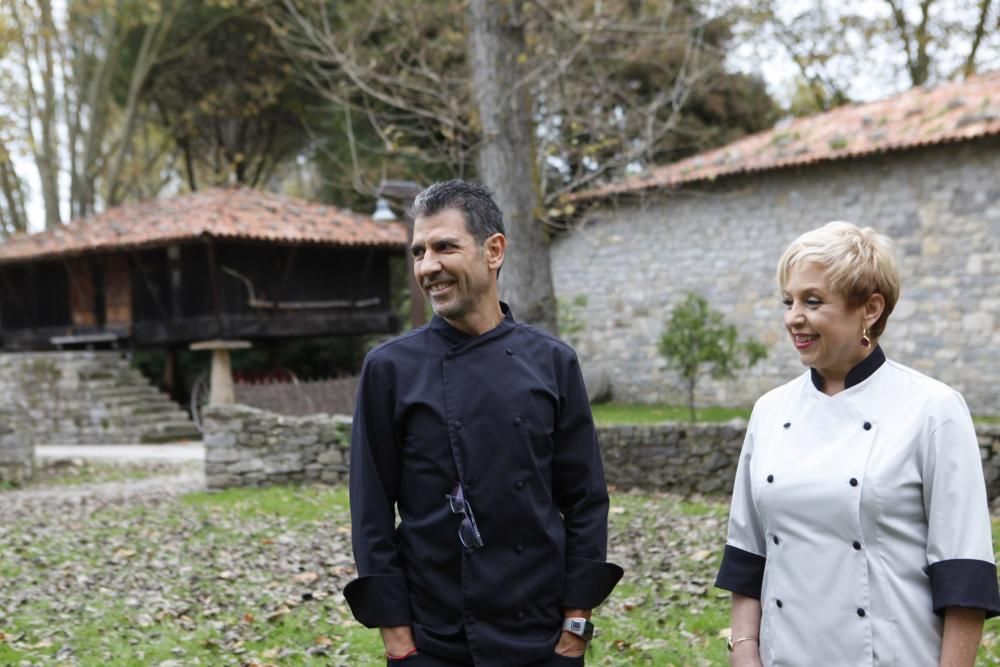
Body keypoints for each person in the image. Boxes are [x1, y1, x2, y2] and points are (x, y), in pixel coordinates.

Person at [344, 179, 623, 667]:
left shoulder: (553, 362)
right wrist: (398, 638)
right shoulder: (390, 369)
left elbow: (585, 500)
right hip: (434, 640)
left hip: (540, 637)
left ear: (493, 251)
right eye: (418, 252)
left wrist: (575, 627)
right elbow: (370, 514)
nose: (428, 267)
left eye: (444, 247)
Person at [716, 221, 1000, 666]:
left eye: (813, 301)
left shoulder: (933, 409)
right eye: (788, 301)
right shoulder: (769, 412)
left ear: (870, 309)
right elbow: (747, 555)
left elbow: (963, 572)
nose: (793, 317)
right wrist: (745, 650)